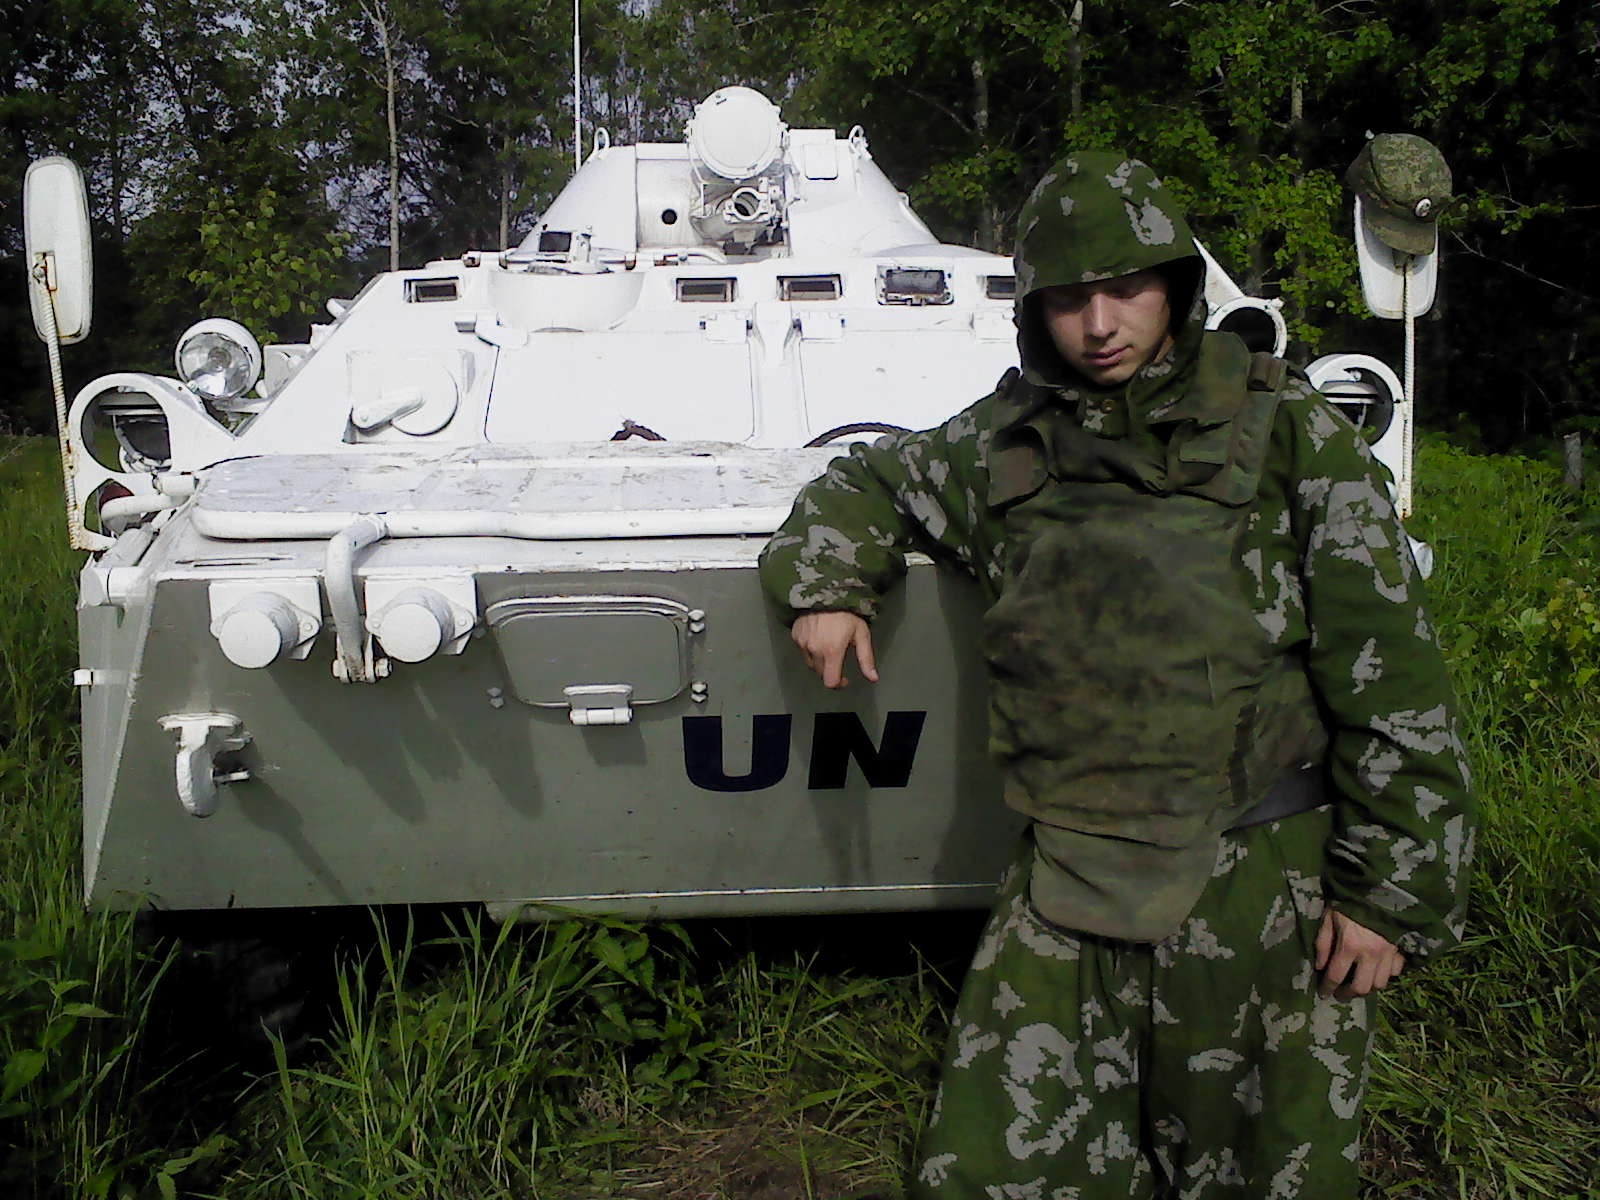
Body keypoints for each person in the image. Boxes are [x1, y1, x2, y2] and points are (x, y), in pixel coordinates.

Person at [758, 152, 1473, 1198]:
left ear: (1175, 288)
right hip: (1069, 875)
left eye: (1125, 288)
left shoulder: (1289, 436)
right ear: (1033, 310)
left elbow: (1391, 675)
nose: (1098, 325)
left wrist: (1392, 892)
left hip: (1255, 881)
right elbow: (865, 480)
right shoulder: (1005, 446)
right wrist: (828, 584)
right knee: (992, 1174)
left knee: (1266, 1175)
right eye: (1067, 298)